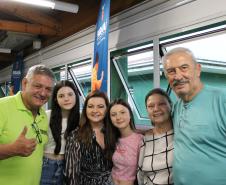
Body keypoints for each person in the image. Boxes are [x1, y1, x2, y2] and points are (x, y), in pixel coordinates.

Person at [162, 47, 226, 185]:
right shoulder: (177, 107)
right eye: (171, 71)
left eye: (184, 68)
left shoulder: (222, 99)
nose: (178, 76)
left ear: (198, 69)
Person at [0, 65, 55, 185]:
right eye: (38, 86)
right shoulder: (2, 107)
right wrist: (12, 149)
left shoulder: (43, 116)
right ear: (25, 83)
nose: (43, 93)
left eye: (48, 89)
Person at [64, 90, 113, 185]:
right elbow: (71, 174)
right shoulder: (76, 135)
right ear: (85, 109)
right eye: (90, 106)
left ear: (107, 109)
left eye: (100, 107)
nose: (95, 110)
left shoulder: (113, 132)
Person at [40, 80, 80, 185]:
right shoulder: (46, 116)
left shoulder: (81, 118)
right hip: (46, 166)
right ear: (56, 99)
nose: (66, 99)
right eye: (61, 96)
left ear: (76, 96)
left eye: (70, 94)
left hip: (69, 167)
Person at [137, 88, 174, 185]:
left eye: (161, 104)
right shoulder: (144, 140)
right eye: (151, 106)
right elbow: (140, 174)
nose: (156, 109)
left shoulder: (182, 135)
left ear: (171, 105)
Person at [105, 99, 143, 185]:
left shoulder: (140, 140)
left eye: (123, 112)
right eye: (113, 115)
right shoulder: (112, 139)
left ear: (130, 114)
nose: (118, 117)